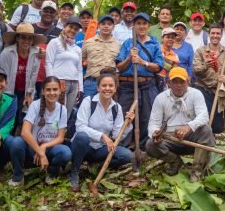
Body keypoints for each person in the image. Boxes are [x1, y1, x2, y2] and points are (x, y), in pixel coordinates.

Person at [146, 67, 215, 182]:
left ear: (188, 82)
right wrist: (155, 133)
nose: (179, 85)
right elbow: (153, 122)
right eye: (175, 82)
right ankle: (175, 162)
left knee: (206, 130)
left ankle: (197, 171)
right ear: (169, 83)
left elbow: (203, 116)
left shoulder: (196, 94)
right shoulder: (160, 98)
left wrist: (189, 127)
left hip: (192, 138)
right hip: (170, 139)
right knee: (150, 144)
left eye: (182, 82)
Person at [69, 71, 135, 191]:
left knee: (126, 155)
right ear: (98, 87)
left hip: (100, 149)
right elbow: (80, 127)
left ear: (115, 88)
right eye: (104, 85)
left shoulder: (116, 108)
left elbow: (116, 135)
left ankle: (97, 166)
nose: (107, 89)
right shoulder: (88, 102)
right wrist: (102, 136)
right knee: (82, 137)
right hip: (84, 146)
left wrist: (128, 124)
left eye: (111, 86)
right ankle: (74, 172)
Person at [9, 76, 71, 186]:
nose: (52, 93)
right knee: (16, 142)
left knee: (65, 152)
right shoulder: (35, 105)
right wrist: (40, 152)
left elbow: (60, 137)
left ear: (60, 90)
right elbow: (25, 132)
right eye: (48, 89)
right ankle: (18, 177)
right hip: (32, 150)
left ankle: (52, 173)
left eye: (55, 89)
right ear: (42, 91)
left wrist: (44, 147)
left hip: (50, 150)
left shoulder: (62, 109)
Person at [116, 13, 164, 149]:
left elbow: (158, 67)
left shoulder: (154, 43)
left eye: (144, 23)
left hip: (147, 85)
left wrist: (143, 62)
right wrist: (128, 59)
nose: (141, 26)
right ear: (134, 26)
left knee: (146, 117)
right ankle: (122, 148)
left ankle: (143, 148)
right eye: (138, 23)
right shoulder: (128, 43)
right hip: (128, 85)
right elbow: (119, 67)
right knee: (125, 116)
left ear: (148, 26)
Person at [0, 23, 46, 131]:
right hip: (9, 90)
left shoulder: (36, 53)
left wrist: (29, 94)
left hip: (25, 90)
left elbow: (33, 75)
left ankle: (19, 143)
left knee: (24, 118)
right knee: (9, 118)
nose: (26, 41)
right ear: (17, 38)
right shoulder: (7, 53)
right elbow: (4, 75)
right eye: (23, 37)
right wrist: (6, 96)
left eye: (30, 38)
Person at [193, 23, 225, 133]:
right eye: (213, 33)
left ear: (221, 35)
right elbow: (195, 71)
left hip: (219, 91)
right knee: (203, 122)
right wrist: (205, 66)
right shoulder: (200, 51)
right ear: (209, 35)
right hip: (202, 89)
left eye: (218, 33)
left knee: (217, 128)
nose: (215, 36)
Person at [46, 17, 83, 119]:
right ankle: (52, 134)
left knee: (67, 114)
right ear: (65, 27)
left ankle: (62, 134)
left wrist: (81, 88)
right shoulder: (55, 42)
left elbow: (79, 69)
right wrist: (51, 83)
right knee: (57, 112)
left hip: (74, 84)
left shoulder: (77, 49)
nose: (72, 30)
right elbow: (48, 62)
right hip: (60, 81)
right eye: (70, 27)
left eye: (76, 29)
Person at [82, 15, 120, 97]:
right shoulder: (88, 42)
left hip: (109, 84)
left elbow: (119, 64)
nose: (106, 26)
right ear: (98, 26)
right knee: (88, 107)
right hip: (91, 82)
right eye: (103, 24)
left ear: (113, 27)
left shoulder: (118, 45)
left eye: (109, 24)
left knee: (108, 108)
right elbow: (81, 60)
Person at [32, 1, 61, 98]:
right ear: (40, 12)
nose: (48, 14)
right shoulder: (31, 28)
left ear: (56, 15)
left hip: (50, 77)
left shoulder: (60, 33)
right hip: (30, 76)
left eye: (52, 12)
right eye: (46, 11)